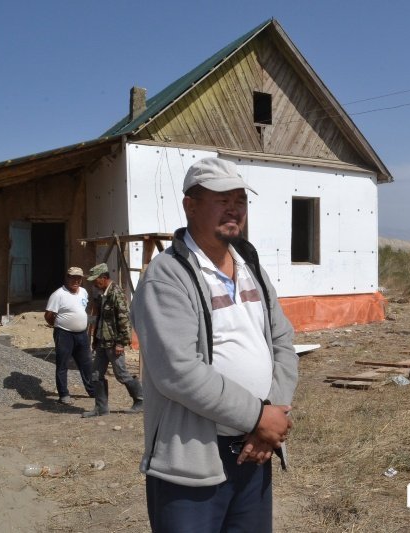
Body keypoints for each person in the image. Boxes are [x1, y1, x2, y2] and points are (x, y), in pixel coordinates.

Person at [131, 157, 299, 533]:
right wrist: (259, 417)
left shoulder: (250, 266)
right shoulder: (167, 275)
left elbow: (283, 342)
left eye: (240, 200)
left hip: (255, 450)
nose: (234, 209)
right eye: (222, 199)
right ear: (190, 206)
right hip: (192, 462)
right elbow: (177, 370)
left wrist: (270, 416)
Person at [82, 263, 143, 417]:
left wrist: (121, 343)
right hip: (102, 342)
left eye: (96, 280)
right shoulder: (103, 294)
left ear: (104, 278)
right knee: (96, 375)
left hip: (114, 343)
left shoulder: (116, 293)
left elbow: (124, 320)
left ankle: (141, 400)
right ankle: (101, 408)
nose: (94, 284)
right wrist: (95, 341)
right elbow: (101, 319)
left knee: (121, 374)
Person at [45, 267, 95, 405]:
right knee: (62, 364)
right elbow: (48, 315)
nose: (76, 281)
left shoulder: (83, 292)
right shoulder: (58, 295)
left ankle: (92, 390)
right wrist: (58, 325)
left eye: (79, 278)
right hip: (64, 334)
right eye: (73, 278)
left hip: (82, 335)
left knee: (86, 363)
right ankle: (64, 394)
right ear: (67, 277)